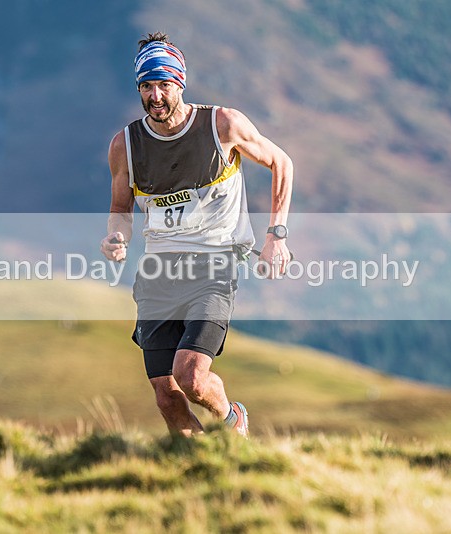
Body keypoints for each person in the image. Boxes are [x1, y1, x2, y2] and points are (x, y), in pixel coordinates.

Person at [100, 32, 293, 437]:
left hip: (214, 267)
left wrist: (277, 234)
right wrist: (116, 238)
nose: (155, 96)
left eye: (164, 85)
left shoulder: (222, 125)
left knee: (190, 376)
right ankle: (198, 470)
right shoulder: (126, 146)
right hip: (158, 274)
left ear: (180, 84)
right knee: (166, 396)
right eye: (146, 86)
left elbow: (281, 162)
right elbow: (121, 210)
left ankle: (231, 421)